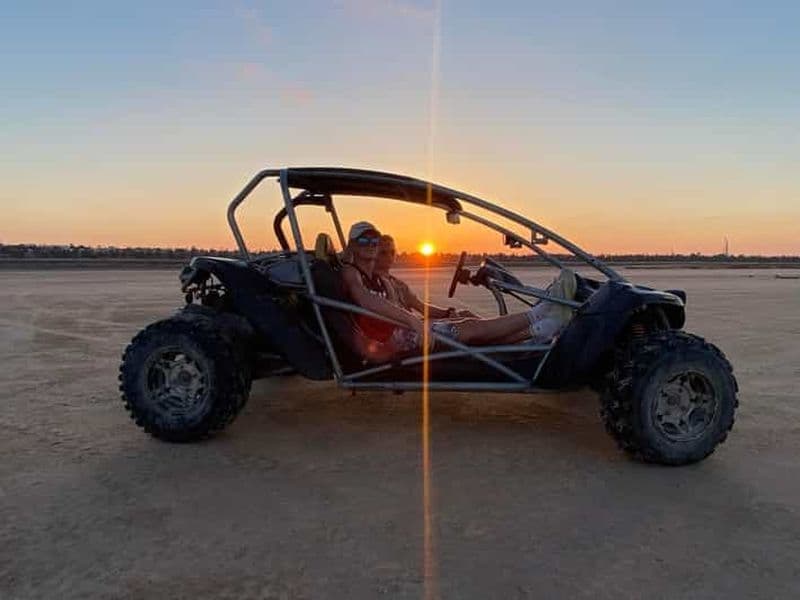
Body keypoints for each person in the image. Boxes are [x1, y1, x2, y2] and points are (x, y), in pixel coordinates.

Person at [340, 221, 576, 355]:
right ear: (352, 245)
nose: (371, 246)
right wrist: (415, 323)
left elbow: (407, 306)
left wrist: (442, 315)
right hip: (391, 342)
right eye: (364, 241)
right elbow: (367, 301)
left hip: (403, 333)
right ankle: (539, 318)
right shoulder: (352, 272)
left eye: (374, 241)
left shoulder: (383, 280)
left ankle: (538, 330)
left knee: (466, 323)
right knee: (470, 329)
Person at [374, 234, 477, 319]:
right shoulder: (374, 284)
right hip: (408, 331)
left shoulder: (399, 284)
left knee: (465, 314)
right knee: (466, 324)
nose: (389, 256)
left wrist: (447, 313)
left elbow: (421, 307)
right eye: (383, 253)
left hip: (416, 325)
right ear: (374, 254)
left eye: (392, 252)